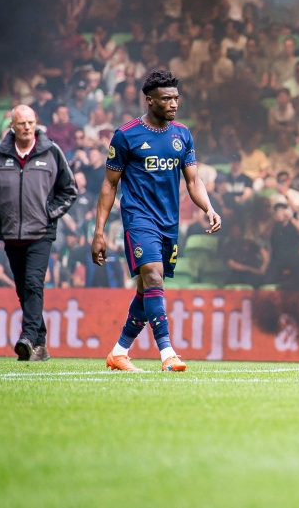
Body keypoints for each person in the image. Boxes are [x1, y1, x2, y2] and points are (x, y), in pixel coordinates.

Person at [92, 70, 221, 372]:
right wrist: (98, 233)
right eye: (166, 99)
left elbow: (193, 180)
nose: (174, 103)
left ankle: (119, 351)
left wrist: (208, 208)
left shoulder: (182, 135)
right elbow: (109, 185)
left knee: (147, 288)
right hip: (138, 218)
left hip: (168, 223)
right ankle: (167, 353)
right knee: (152, 276)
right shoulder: (126, 135)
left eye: (176, 98)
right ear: (150, 100)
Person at [0, 105, 77, 362]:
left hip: (41, 232)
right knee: (22, 288)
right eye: (21, 123)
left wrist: (48, 213)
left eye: (30, 122)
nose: (27, 127)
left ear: (36, 123)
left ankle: (27, 338)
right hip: (11, 233)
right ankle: (40, 343)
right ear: (12, 126)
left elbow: (69, 190)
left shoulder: (52, 152)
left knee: (33, 283)